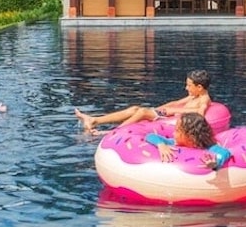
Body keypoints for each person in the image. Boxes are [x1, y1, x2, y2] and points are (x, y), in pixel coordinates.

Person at [74, 69, 212, 133]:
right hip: (164, 113)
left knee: (141, 112)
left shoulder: (204, 100)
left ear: (199, 87)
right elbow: (175, 103)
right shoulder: (194, 96)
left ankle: (114, 132)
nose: (186, 87)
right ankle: (94, 120)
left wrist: (174, 111)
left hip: (170, 119)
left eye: (189, 85)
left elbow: (200, 114)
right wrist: (157, 109)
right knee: (135, 108)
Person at [145, 112, 231, 171]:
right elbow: (150, 136)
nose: (173, 133)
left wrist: (215, 164)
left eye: (177, 130)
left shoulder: (209, 148)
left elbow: (224, 152)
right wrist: (161, 145)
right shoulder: (173, 143)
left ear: (190, 137)